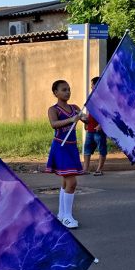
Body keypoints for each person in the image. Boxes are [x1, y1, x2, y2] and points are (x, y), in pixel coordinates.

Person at [46, 79, 83, 229]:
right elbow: (54, 124)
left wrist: (85, 118)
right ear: (55, 93)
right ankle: (67, 216)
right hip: (60, 147)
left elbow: (86, 120)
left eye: (68, 89)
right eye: (63, 89)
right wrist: (71, 119)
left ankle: (62, 214)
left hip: (72, 147)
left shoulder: (74, 108)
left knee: (65, 181)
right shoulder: (53, 109)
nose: (67, 92)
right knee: (72, 182)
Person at [82, 76, 107, 176]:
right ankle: (85, 169)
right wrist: (85, 121)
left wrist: (101, 125)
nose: (91, 87)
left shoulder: (104, 98)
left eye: (92, 84)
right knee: (87, 149)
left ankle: (99, 169)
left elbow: (107, 114)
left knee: (102, 149)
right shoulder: (91, 98)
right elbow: (89, 113)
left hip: (99, 130)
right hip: (91, 128)